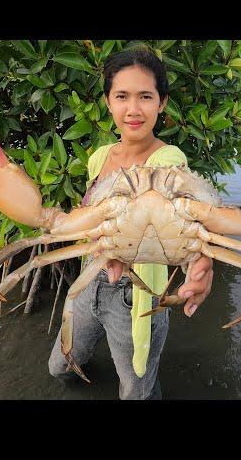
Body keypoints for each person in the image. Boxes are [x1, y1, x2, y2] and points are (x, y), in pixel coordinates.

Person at [48, 47, 214, 400]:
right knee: (59, 366)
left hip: (135, 299)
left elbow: (187, 217)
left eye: (145, 97)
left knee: (136, 389)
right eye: (122, 96)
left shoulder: (169, 161)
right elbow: (87, 213)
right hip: (89, 279)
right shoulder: (99, 157)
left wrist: (202, 262)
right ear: (108, 101)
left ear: (162, 103)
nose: (134, 109)